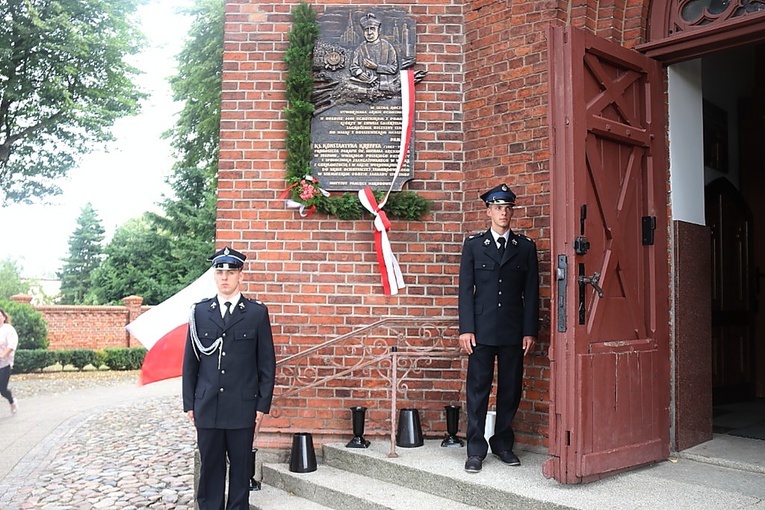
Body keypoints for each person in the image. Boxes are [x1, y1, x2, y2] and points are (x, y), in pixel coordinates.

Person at [182, 246, 276, 510]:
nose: (225, 277)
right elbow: (190, 363)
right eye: (220, 272)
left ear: (240, 276)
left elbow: (267, 364)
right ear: (214, 276)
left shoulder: (256, 313)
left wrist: (261, 406)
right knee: (210, 468)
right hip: (208, 404)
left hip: (242, 407)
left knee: (240, 469)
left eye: (231, 272)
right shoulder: (200, 312)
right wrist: (190, 403)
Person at [458, 183, 539, 473]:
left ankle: (503, 444)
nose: (503, 213)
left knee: (510, 389)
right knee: (478, 390)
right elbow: (465, 290)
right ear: (488, 211)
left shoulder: (525, 248)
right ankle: (475, 450)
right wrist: (466, 329)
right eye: (497, 208)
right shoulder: (474, 245)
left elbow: (531, 293)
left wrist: (529, 331)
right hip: (480, 330)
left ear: (511, 212)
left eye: (507, 208)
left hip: (513, 331)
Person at [349, 13, 400, 93]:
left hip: (385, 86)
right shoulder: (359, 49)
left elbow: (394, 68)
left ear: (378, 31)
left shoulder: (387, 47)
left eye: (372, 29)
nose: (369, 33)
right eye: (366, 29)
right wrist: (359, 73)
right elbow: (353, 66)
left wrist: (376, 67)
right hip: (365, 88)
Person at [0, 307, 19, 415]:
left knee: (2, 390)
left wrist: (3, 355)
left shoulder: (8, 329)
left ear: (3, 317)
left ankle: (12, 401)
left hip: (4, 364)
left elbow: (12, 344)